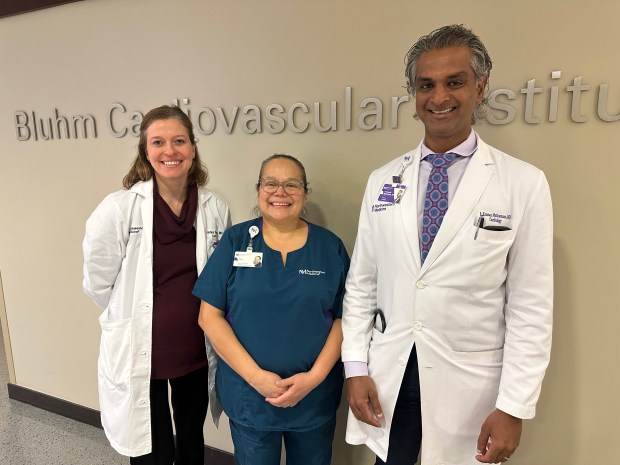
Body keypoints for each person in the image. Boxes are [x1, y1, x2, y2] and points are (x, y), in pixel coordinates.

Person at [342, 25, 553, 465]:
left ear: (480, 86)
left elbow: (531, 306)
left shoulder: (523, 183)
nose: (439, 97)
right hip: (392, 371)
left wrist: (514, 406)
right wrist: (356, 368)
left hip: (470, 384)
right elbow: (361, 284)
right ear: (413, 94)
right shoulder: (383, 181)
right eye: (426, 85)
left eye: (454, 82)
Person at [82, 105, 231, 464]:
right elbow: (97, 282)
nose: (170, 151)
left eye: (179, 141)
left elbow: (222, 278)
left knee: (192, 439)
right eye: (159, 142)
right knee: (152, 448)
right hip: (141, 351)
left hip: (195, 349)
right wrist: (133, 316)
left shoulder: (214, 207)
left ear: (193, 148)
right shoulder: (120, 208)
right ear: (146, 152)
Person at [193, 154, 350, 465]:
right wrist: (256, 378)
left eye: (291, 184)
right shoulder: (236, 240)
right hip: (250, 395)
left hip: (313, 396)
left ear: (305, 194)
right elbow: (209, 317)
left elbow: (345, 318)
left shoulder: (329, 247)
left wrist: (314, 377)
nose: (281, 192)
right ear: (258, 190)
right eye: (271, 183)